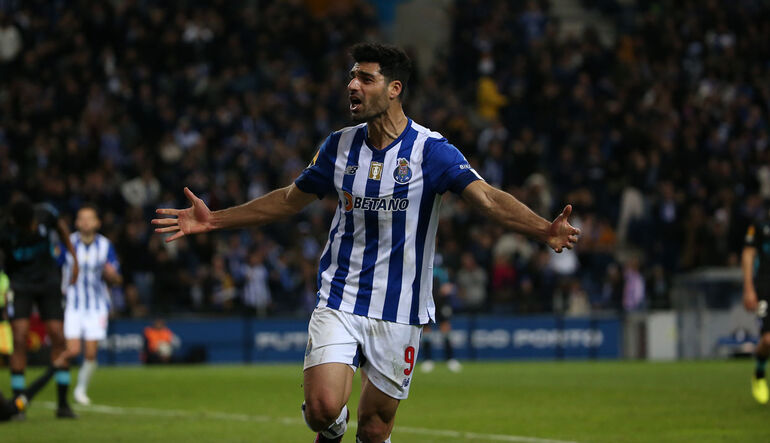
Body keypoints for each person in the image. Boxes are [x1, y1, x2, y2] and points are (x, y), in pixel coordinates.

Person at [152, 43, 580, 443]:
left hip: (400, 307)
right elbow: (288, 201)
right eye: (352, 77)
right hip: (341, 293)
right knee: (322, 408)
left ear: (394, 90)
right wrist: (215, 221)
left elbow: (486, 198)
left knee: (375, 429)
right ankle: (332, 431)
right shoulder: (338, 147)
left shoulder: (432, 151)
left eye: (365, 78)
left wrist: (543, 229)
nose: (352, 85)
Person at [0, 198, 79, 418]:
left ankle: (63, 404)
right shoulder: (5, 232)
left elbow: (62, 229)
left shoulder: (45, 213)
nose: (34, 227)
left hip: (48, 282)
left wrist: (74, 257)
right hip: (20, 284)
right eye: (29, 226)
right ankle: (18, 404)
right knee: (19, 337)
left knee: (57, 336)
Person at [60, 204, 122, 405]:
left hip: (96, 305)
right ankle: (62, 392)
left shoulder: (105, 246)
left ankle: (80, 389)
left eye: (89, 218)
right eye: (81, 218)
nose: (85, 222)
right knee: (72, 351)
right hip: (73, 304)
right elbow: (55, 267)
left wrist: (112, 276)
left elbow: (117, 278)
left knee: (91, 353)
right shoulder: (68, 243)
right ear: (77, 222)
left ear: (97, 222)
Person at [743, 215, 770, 404]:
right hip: (765, 287)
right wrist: (748, 288)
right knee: (768, 340)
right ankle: (759, 373)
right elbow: (748, 254)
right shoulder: (760, 226)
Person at [420, 253, 461, 373]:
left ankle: (450, 359)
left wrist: (448, 288)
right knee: (426, 329)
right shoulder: (424, 269)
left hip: (442, 302)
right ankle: (428, 360)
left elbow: (451, 285)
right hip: (427, 302)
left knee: (445, 328)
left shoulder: (443, 271)